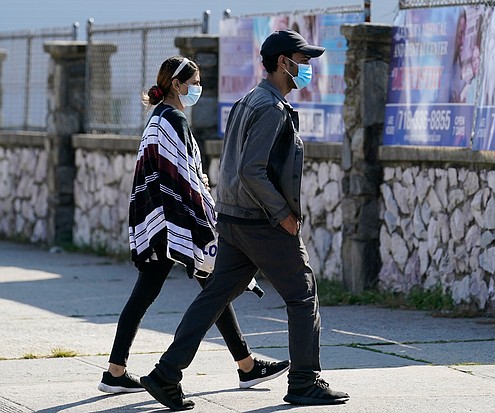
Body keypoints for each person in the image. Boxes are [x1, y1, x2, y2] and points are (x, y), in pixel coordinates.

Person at [140, 31, 349, 411]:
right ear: (282, 63)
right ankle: (305, 380)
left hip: (235, 218)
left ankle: (165, 374)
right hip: (260, 221)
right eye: (302, 61)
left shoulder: (249, 100)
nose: (307, 69)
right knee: (303, 296)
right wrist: (282, 213)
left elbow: (237, 164)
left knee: (215, 296)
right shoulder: (269, 107)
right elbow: (253, 170)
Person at [97, 55, 289, 395]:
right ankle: (243, 367)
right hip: (175, 222)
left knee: (192, 290)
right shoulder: (173, 120)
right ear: (177, 85)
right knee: (209, 289)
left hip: (159, 219)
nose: (198, 89)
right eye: (195, 83)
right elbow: (185, 179)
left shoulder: (158, 118)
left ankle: (117, 371)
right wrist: (207, 218)